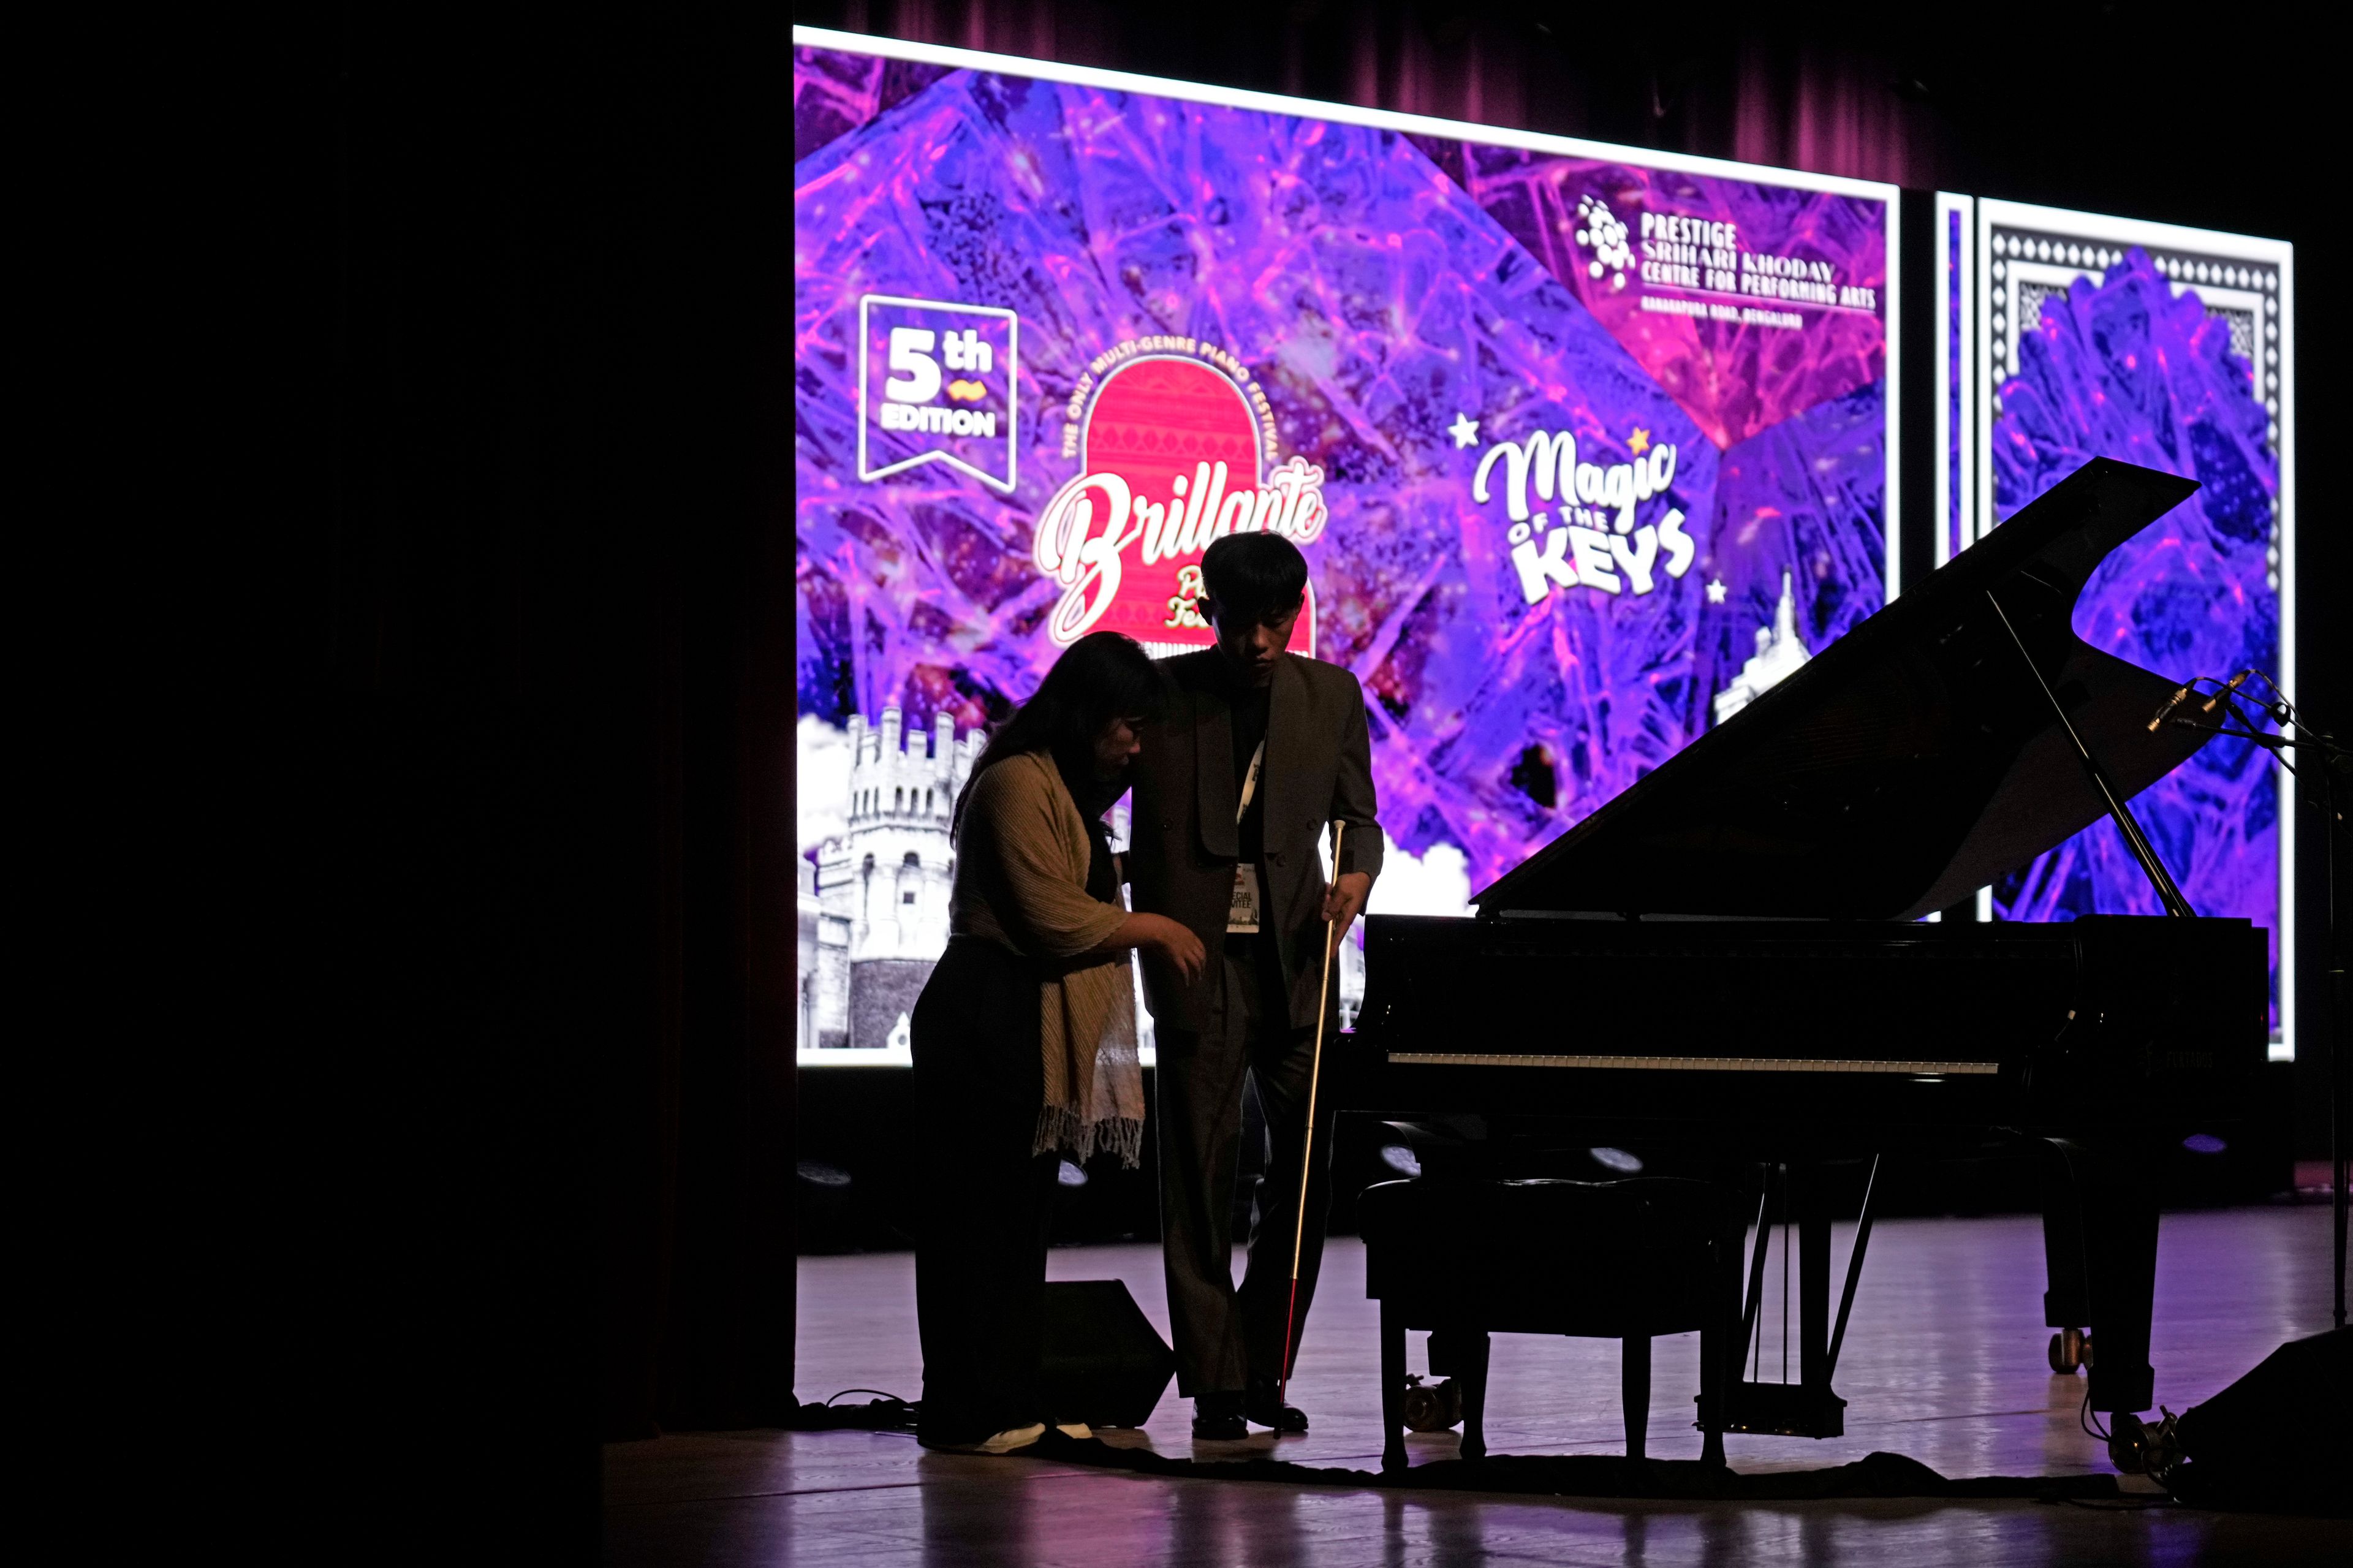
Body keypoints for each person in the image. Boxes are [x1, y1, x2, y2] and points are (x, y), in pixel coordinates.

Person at [910, 631, 1207, 1454]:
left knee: (1014, 1224)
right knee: (975, 1225)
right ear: (1087, 714)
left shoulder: (1068, 794)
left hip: (1015, 1016)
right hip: (983, 1013)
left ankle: (1003, 1405)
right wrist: (1148, 926)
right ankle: (969, 1411)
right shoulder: (1014, 784)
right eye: (1128, 725)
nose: (1136, 744)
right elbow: (1048, 916)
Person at [1127, 532, 1382, 1440]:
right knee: (1198, 1177)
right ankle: (1216, 1384)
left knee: (1305, 1179)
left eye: (1278, 624)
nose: (1261, 644)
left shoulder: (1333, 695)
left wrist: (1356, 876)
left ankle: (1262, 1367)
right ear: (1210, 614)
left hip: (1299, 961)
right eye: (1243, 626)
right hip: (1198, 961)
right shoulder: (1162, 696)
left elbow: (1360, 817)